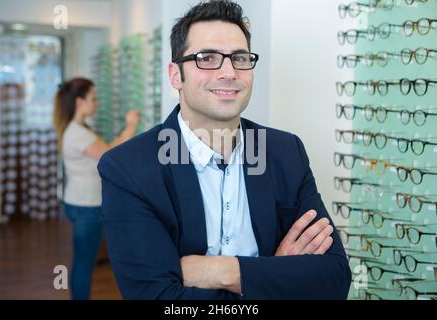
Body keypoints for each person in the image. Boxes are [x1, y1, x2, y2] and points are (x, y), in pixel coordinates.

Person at [98, 1, 351, 299]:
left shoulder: (285, 152)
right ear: (176, 75)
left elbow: (334, 279)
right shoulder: (129, 168)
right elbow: (159, 298)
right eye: (207, 58)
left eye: (240, 58)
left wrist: (224, 271)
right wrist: (274, 273)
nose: (229, 72)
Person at [53, 77, 140, 300]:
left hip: (78, 201)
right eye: (93, 98)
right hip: (87, 206)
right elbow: (109, 155)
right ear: (80, 101)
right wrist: (130, 126)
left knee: (85, 259)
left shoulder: (78, 128)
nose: (97, 102)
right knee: (83, 263)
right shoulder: (77, 132)